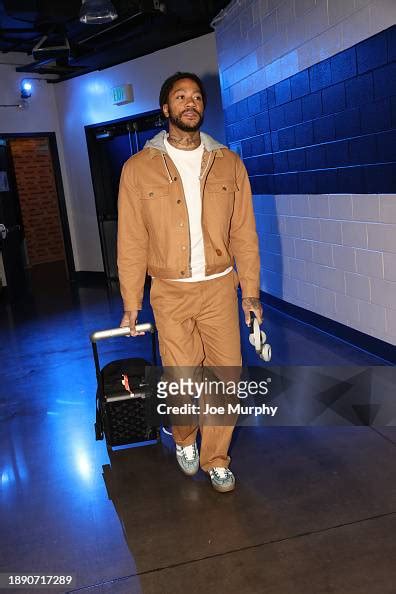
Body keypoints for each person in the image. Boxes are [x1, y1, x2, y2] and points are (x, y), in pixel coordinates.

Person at [117, 72, 262, 493]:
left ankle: (216, 457)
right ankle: (184, 436)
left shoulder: (229, 163)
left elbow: (244, 233)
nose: (190, 102)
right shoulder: (137, 169)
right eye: (180, 96)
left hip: (220, 286)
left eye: (196, 97)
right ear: (166, 109)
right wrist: (131, 301)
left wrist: (249, 292)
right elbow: (131, 239)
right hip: (170, 291)